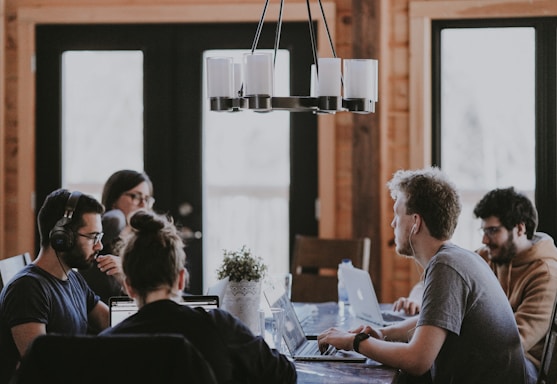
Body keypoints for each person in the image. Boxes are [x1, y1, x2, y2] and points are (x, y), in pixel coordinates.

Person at [317, 167, 528, 384]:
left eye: (396, 215)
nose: (392, 223)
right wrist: (383, 333)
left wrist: (354, 341)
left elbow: (418, 360)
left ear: (415, 223)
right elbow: (434, 319)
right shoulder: (460, 258)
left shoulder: (446, 265)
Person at [99, 209, 297, 384]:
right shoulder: (219, 326)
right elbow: (284, 374)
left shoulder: (106, 345)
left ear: (129, 286)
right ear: (181, 279)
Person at [0, 189, 109, 384]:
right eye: (93, 237)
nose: (99, 246)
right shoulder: (27, 289)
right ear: (61, 237)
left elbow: (110, 321)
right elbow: (41, 367)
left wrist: (128, 278)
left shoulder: (73, 279)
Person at [473, 187, 557, 381]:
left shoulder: (545, 273)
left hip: (523, 365)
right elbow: (448, 281)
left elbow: (514, 342)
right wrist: (417, 299)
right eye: (484, 231)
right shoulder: (488, 255)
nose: (485, 240)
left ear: (520, 228)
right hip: (488, 354)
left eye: (493, 231)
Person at [79, 169, 154, 304]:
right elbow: (113, 220)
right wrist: (117, 217)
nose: (143, 204)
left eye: (147, 199)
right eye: (135, 196)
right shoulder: (104, 233)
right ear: (114, 199)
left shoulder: (149, 239)